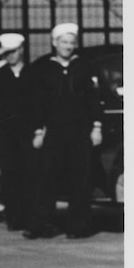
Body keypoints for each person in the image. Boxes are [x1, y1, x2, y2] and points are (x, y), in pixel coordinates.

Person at [23, 22, 103, 240]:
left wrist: (97, 127)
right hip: (54, 133)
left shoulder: (84, 67)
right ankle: (40, 225)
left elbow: (93, 99)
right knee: (46, 179)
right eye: (64, 42)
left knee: (80, 179)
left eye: (71, 43)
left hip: (80, 132)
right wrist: (39, 131)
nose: (68, 46)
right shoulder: (44, 69)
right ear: (54, 43)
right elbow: (38, 103)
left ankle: (78, 227)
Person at [0, 31, 32, 229]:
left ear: (22, 50)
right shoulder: (0, 72)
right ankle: (13, 218)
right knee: (10, 173)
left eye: (15, 51)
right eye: (8, 52)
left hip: (28, 129)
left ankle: (28, 216)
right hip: (7, 131)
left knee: (28, 173)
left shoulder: (31, 71)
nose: (11, 55)